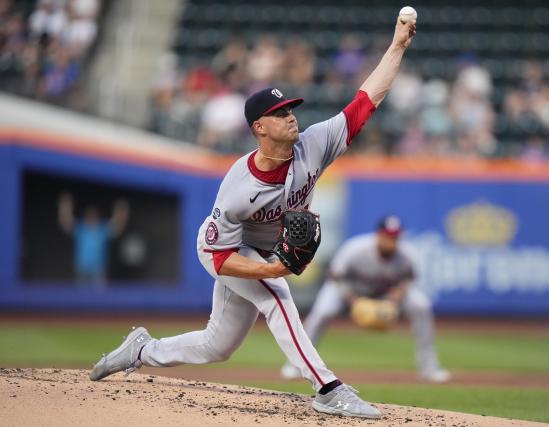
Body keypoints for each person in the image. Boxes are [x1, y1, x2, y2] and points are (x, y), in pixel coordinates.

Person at [89, 15, 417, 420]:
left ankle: (140, 349)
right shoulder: (239, 188)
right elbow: (218, 256)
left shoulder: (313, 145)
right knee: (278, 298)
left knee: (217, 345)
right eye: (280, 113)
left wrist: (398, 44)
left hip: (261, 250)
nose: (291, 116)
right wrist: (276, 268)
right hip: (224, 249)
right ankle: (328, 389)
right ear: (260, 127)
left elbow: (367, 100)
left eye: (291, 108)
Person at [280, 216, 450, 383]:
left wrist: (395, 297)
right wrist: (354, 302)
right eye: (387, 236)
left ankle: (429, 369)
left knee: (421, 305)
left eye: (395, 237)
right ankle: (296, 366)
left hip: (384, 295)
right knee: (323, 312)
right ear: (378, 234)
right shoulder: (356, 248)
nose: (391, 240)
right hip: (347, 290)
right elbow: (335, 277)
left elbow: (409, 280)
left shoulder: (407, 254)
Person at [58, 192, 129, 287]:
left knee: (99, 297)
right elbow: (66, 223)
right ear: (85, 216)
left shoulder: (102, 228)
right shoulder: (81, 228)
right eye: (89, 215)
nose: (91, 217)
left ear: (98, 217)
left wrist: (121, 210)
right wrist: (65, 206)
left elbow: (117, 226)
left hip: (98, 269)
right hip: (82, 268)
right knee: (81, 295)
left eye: (94, 215)